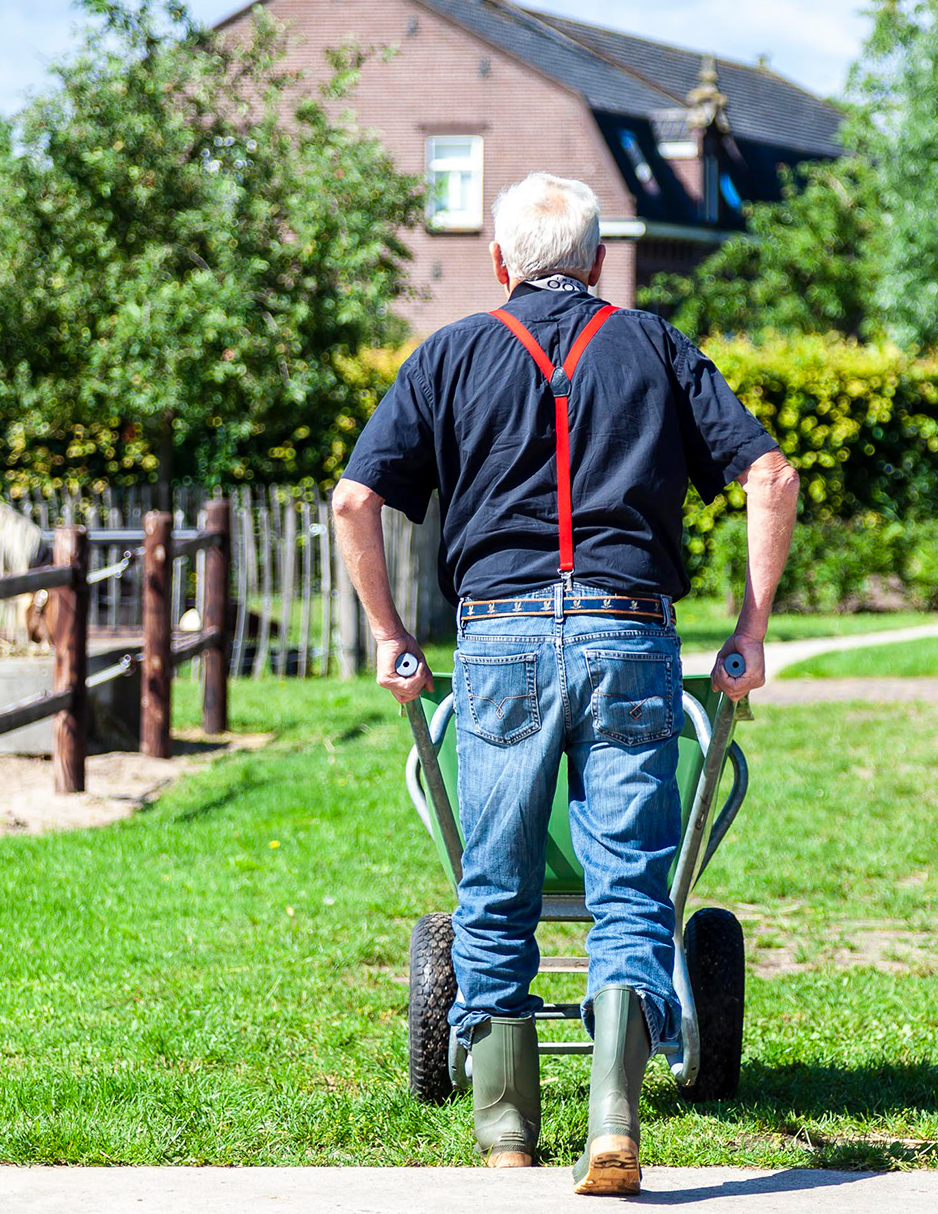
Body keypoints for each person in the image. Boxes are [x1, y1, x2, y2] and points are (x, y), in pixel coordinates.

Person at [332, 172, 797, 1195]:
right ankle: (615, 1120)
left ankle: (505, 1133)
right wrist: (752, 627)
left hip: (499, 641)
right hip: (630, 632)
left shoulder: (450, 352)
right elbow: (771, 473)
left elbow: (356, 495)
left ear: (501, 263)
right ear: (598, 261)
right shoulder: (657, 345)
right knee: (633, 883)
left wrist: (389, 632)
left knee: (493, 882)